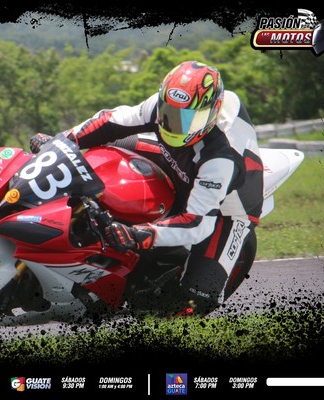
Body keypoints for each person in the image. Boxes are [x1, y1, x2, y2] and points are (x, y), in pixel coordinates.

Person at [29, 60, 264, 317]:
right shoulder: (163, 106)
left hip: (227, 208)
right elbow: (110, 121)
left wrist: (140, 235)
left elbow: (197, 223)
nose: (175, 124)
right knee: (107, 146)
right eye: (170, 113)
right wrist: (61, 142)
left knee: (196, 300)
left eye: (189, 119)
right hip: (178, 160)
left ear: (211, 114)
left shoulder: (220, 159)